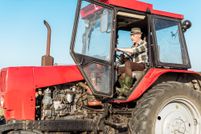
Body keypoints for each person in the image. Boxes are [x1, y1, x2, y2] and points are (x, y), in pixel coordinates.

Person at [116, 27, 148, 98]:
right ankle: (121, 90)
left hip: (142, 65)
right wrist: (123, 58)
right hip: (134, 65)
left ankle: (126, 89)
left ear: (139, 35)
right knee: (118, 69)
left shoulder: (144, 44)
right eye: (131, 35)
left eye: (133, 35)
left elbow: (133, 51)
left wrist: (119, 49)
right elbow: (129, 56)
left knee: (128, 64)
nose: (131, 37)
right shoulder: (133, 46)